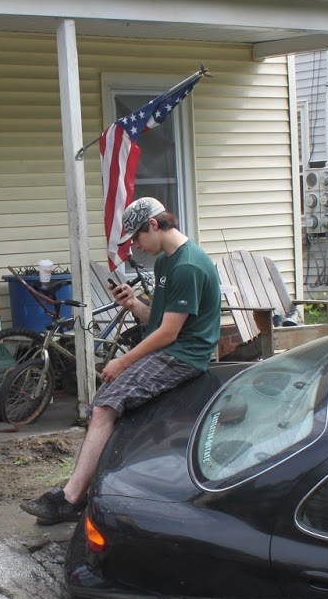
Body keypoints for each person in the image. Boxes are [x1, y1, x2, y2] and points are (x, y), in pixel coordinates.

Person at [20, 197, 221, 525]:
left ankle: (71, 499)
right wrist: (133, 305)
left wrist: (123, 362)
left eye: (137, 238)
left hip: (183, 357)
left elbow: (170, 334)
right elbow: (158, 323)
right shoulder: (167, 263)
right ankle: (87, 487)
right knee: (105, 403)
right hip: (167, 350)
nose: (136, 247)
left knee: (103, 407)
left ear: (154, 225)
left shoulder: (188, 265)